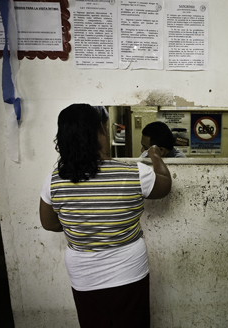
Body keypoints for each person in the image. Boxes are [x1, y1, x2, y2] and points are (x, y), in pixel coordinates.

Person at [39, 104, 171, 328]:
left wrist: (79, 225)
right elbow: (164, 185)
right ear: (100, 131)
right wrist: (155, 156)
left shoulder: (54, 180)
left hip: (84, 273)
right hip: (128, 268)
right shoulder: (134, 173)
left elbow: (49, 223)